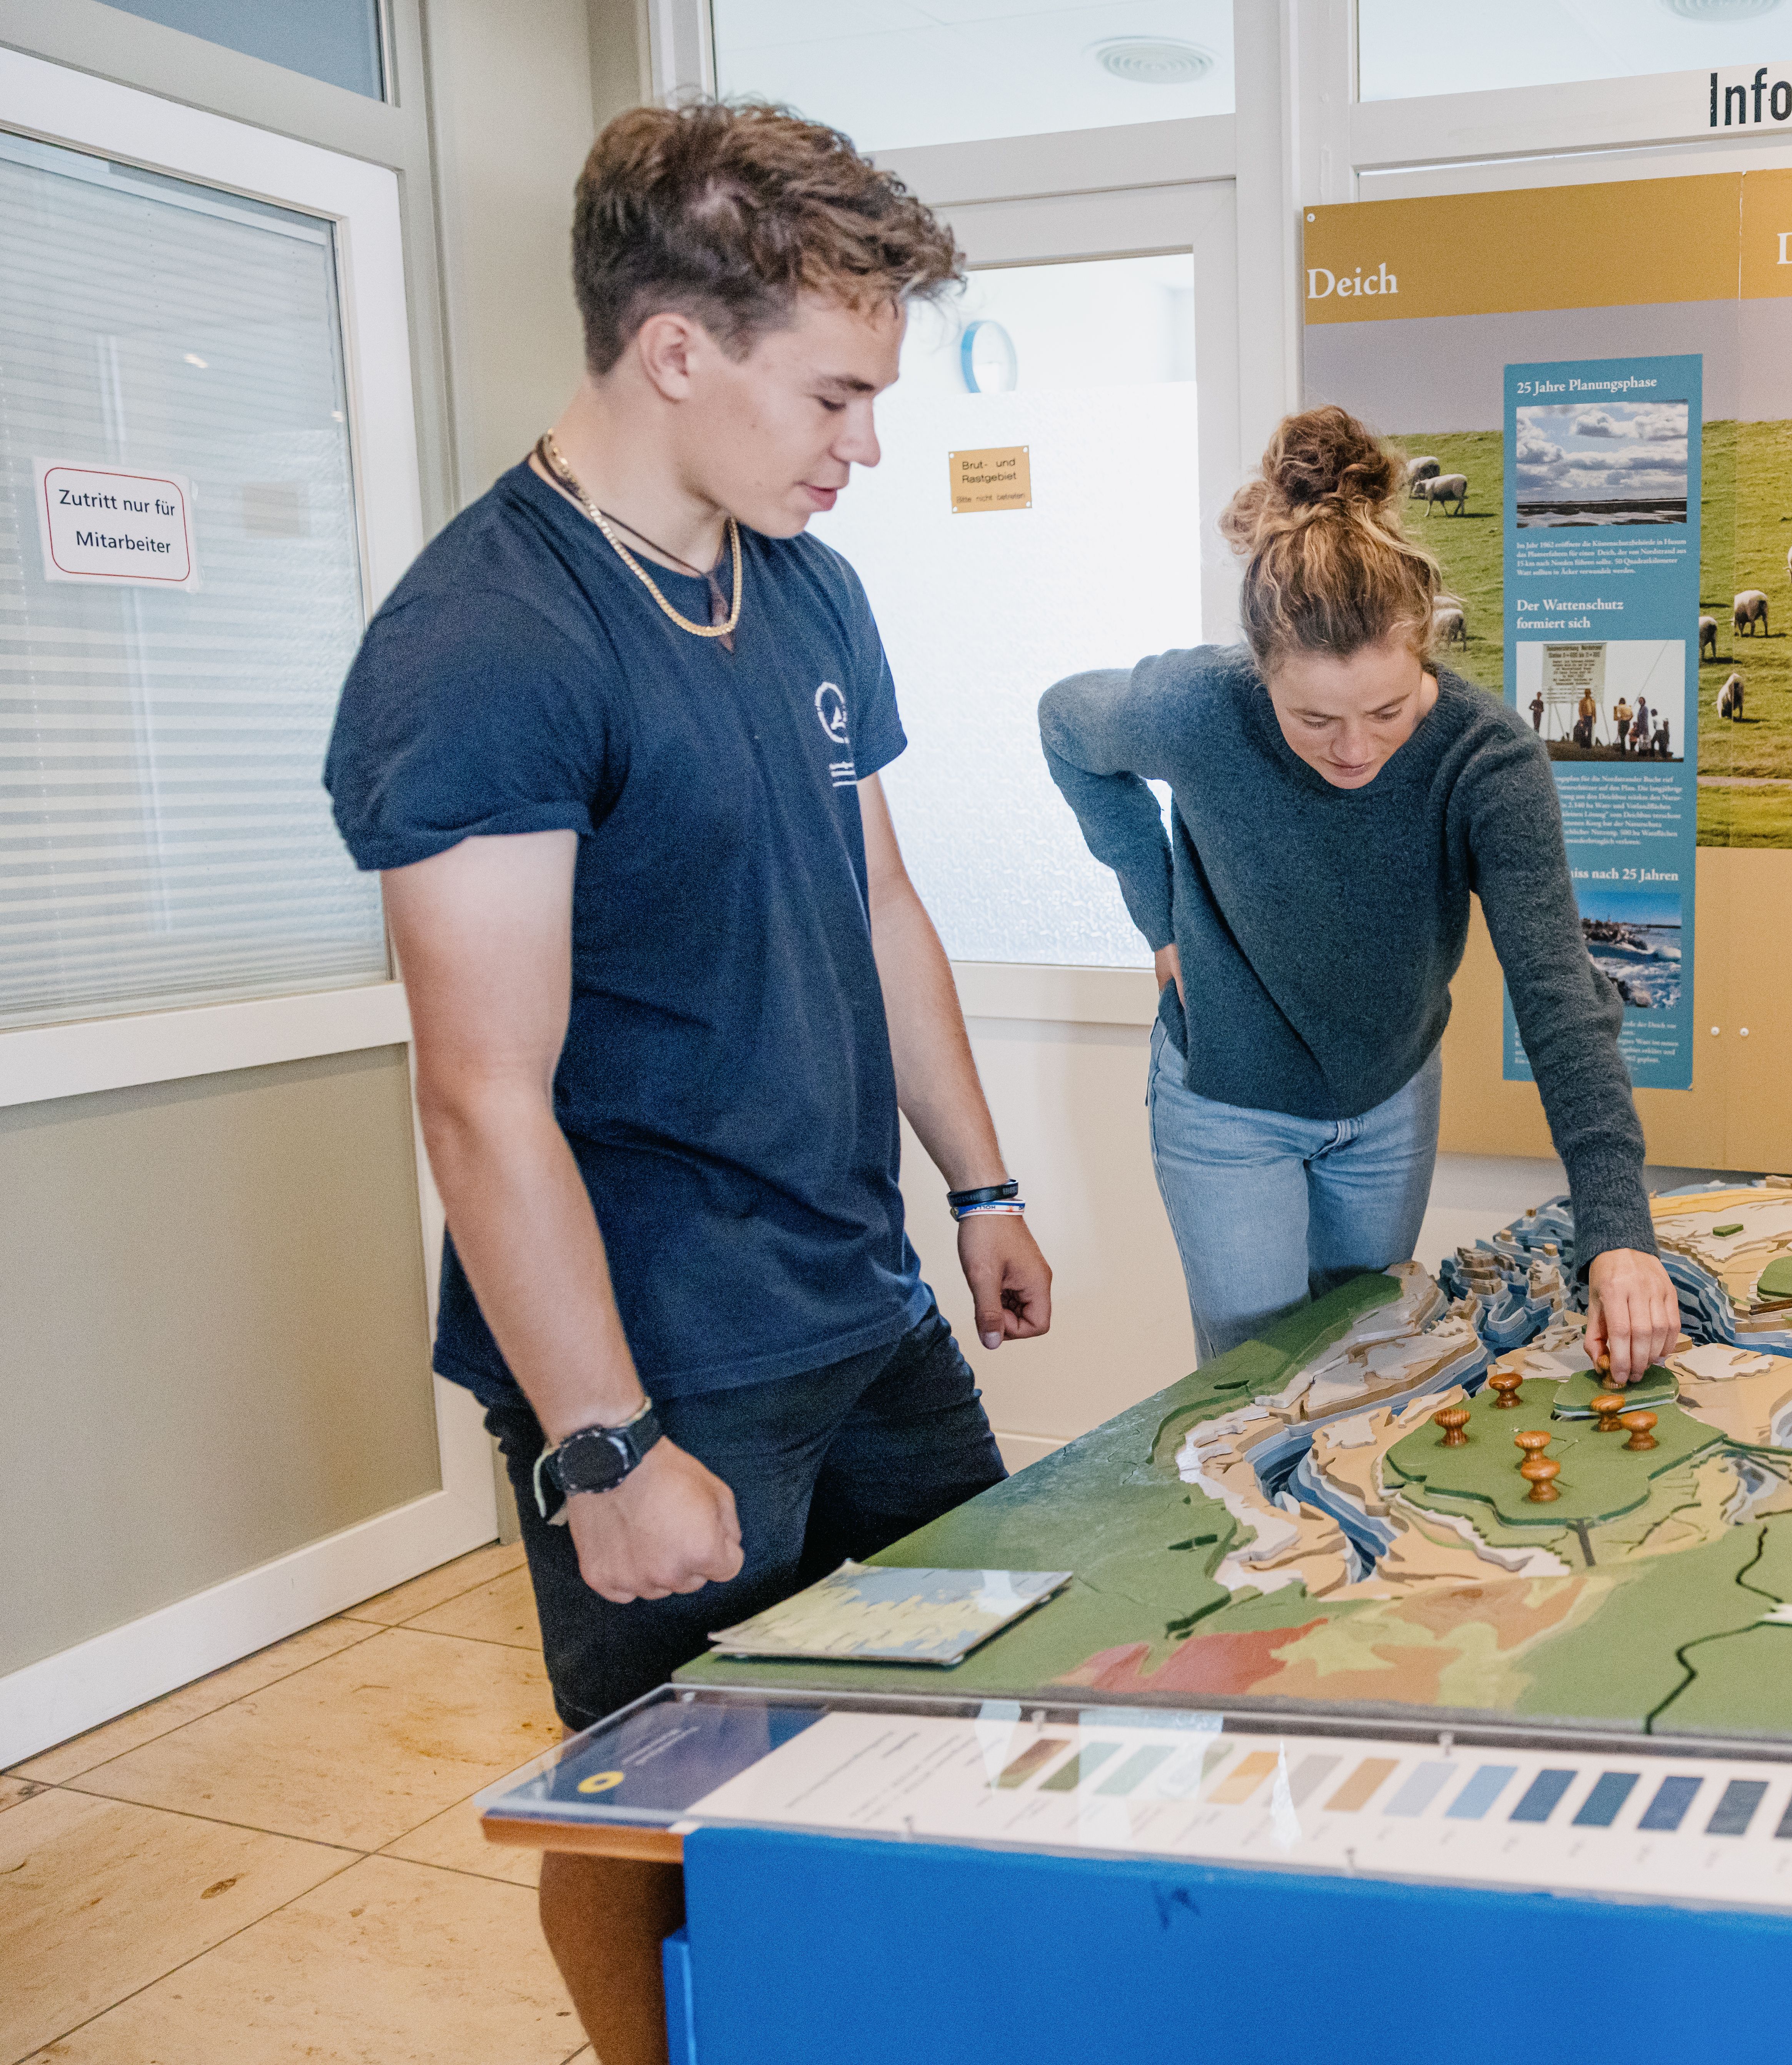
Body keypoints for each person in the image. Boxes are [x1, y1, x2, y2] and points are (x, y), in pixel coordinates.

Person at [322, 103, 1049, 2065]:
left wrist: (976, 1184)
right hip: (662, 1357)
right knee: (655, 1798)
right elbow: (481, 1094)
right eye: (833, 391)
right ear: (674, 348)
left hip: (858, 1300)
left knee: (959, 1698)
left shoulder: (800, 578)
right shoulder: (485, 642)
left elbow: (879, 901)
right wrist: (602, 1446)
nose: (862, 443)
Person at [1040, 406, 1684, 1376]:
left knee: (1367, 1364)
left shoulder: (1486, 757)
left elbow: (1558, 992)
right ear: (1259, 674)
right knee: (1251, 1389)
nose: (1354, 747)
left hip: (1387, 1101)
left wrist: (1619, 1228)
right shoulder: (1195, 707)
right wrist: (1159, 909)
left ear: (1422, 646)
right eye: (1313, 717)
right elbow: (1063, 724)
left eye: (1386, 710)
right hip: (1227, 1105)